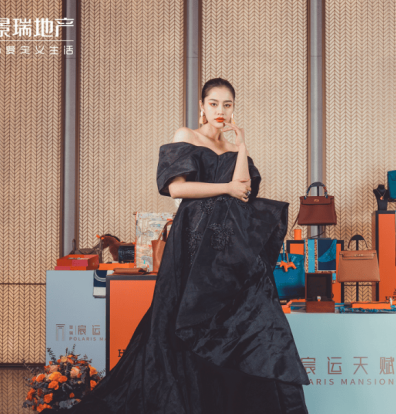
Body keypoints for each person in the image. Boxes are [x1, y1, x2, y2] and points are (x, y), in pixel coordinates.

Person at [63, 78, 310, 413]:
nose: (220, 111)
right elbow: (176, 189)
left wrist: (242, 146)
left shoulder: (233, 147)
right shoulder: (187, 136)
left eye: (227, 105)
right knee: (185, 319)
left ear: (234, 108)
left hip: (229, 246)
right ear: (202, 107)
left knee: (255, 318)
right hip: (193, 243)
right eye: (214, 103)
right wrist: (225, 188)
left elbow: (244, 191)